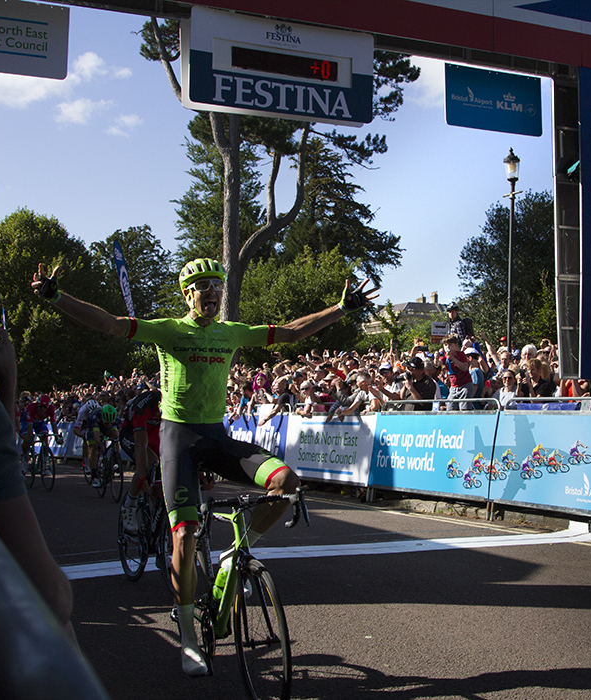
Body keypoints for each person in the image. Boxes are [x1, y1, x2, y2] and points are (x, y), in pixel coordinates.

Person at [32, 258, 377, 676]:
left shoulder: (231, 332)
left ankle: (236, 553)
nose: (212, 291)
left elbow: (289, 332)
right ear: (187, 295)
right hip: (179, 441)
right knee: (185, 537)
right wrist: (56, 296)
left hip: (216, 437)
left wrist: (340, 308)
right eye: (203, 286)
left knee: (286, 481)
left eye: (217, 284)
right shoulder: (168, 330)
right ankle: (189, 638)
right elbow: (109, 323)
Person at [0, 328, 76, 644]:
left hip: (40, 424)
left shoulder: (47, 408)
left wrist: (52, 433)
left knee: (42, 435)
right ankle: (22, 460)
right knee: (25, 439)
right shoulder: (31, 408)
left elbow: (51, 423)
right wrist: (7, 381)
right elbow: (20, 422)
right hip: (27, 423)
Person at [119, 389, 162, 533]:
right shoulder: (144, 403)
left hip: (155, 434)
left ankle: (158, 529)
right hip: (131, 433)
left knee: (159, 488)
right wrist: (143, 476)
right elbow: (140, 445)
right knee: (151, 462)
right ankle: (130, 503)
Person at [19, 394, 62, 469]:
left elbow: (53, 424)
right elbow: (29, 425)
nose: (42, 409)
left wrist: (57, 437)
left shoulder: (51, 409)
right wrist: (30, 437)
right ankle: (25, 459)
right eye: (41, 407)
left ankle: (44, 466)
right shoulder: (31, 407)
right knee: (27, 439)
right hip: (26, 421)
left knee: (45, 439)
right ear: (37, 404)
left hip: (39, 422)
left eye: (45, 407)